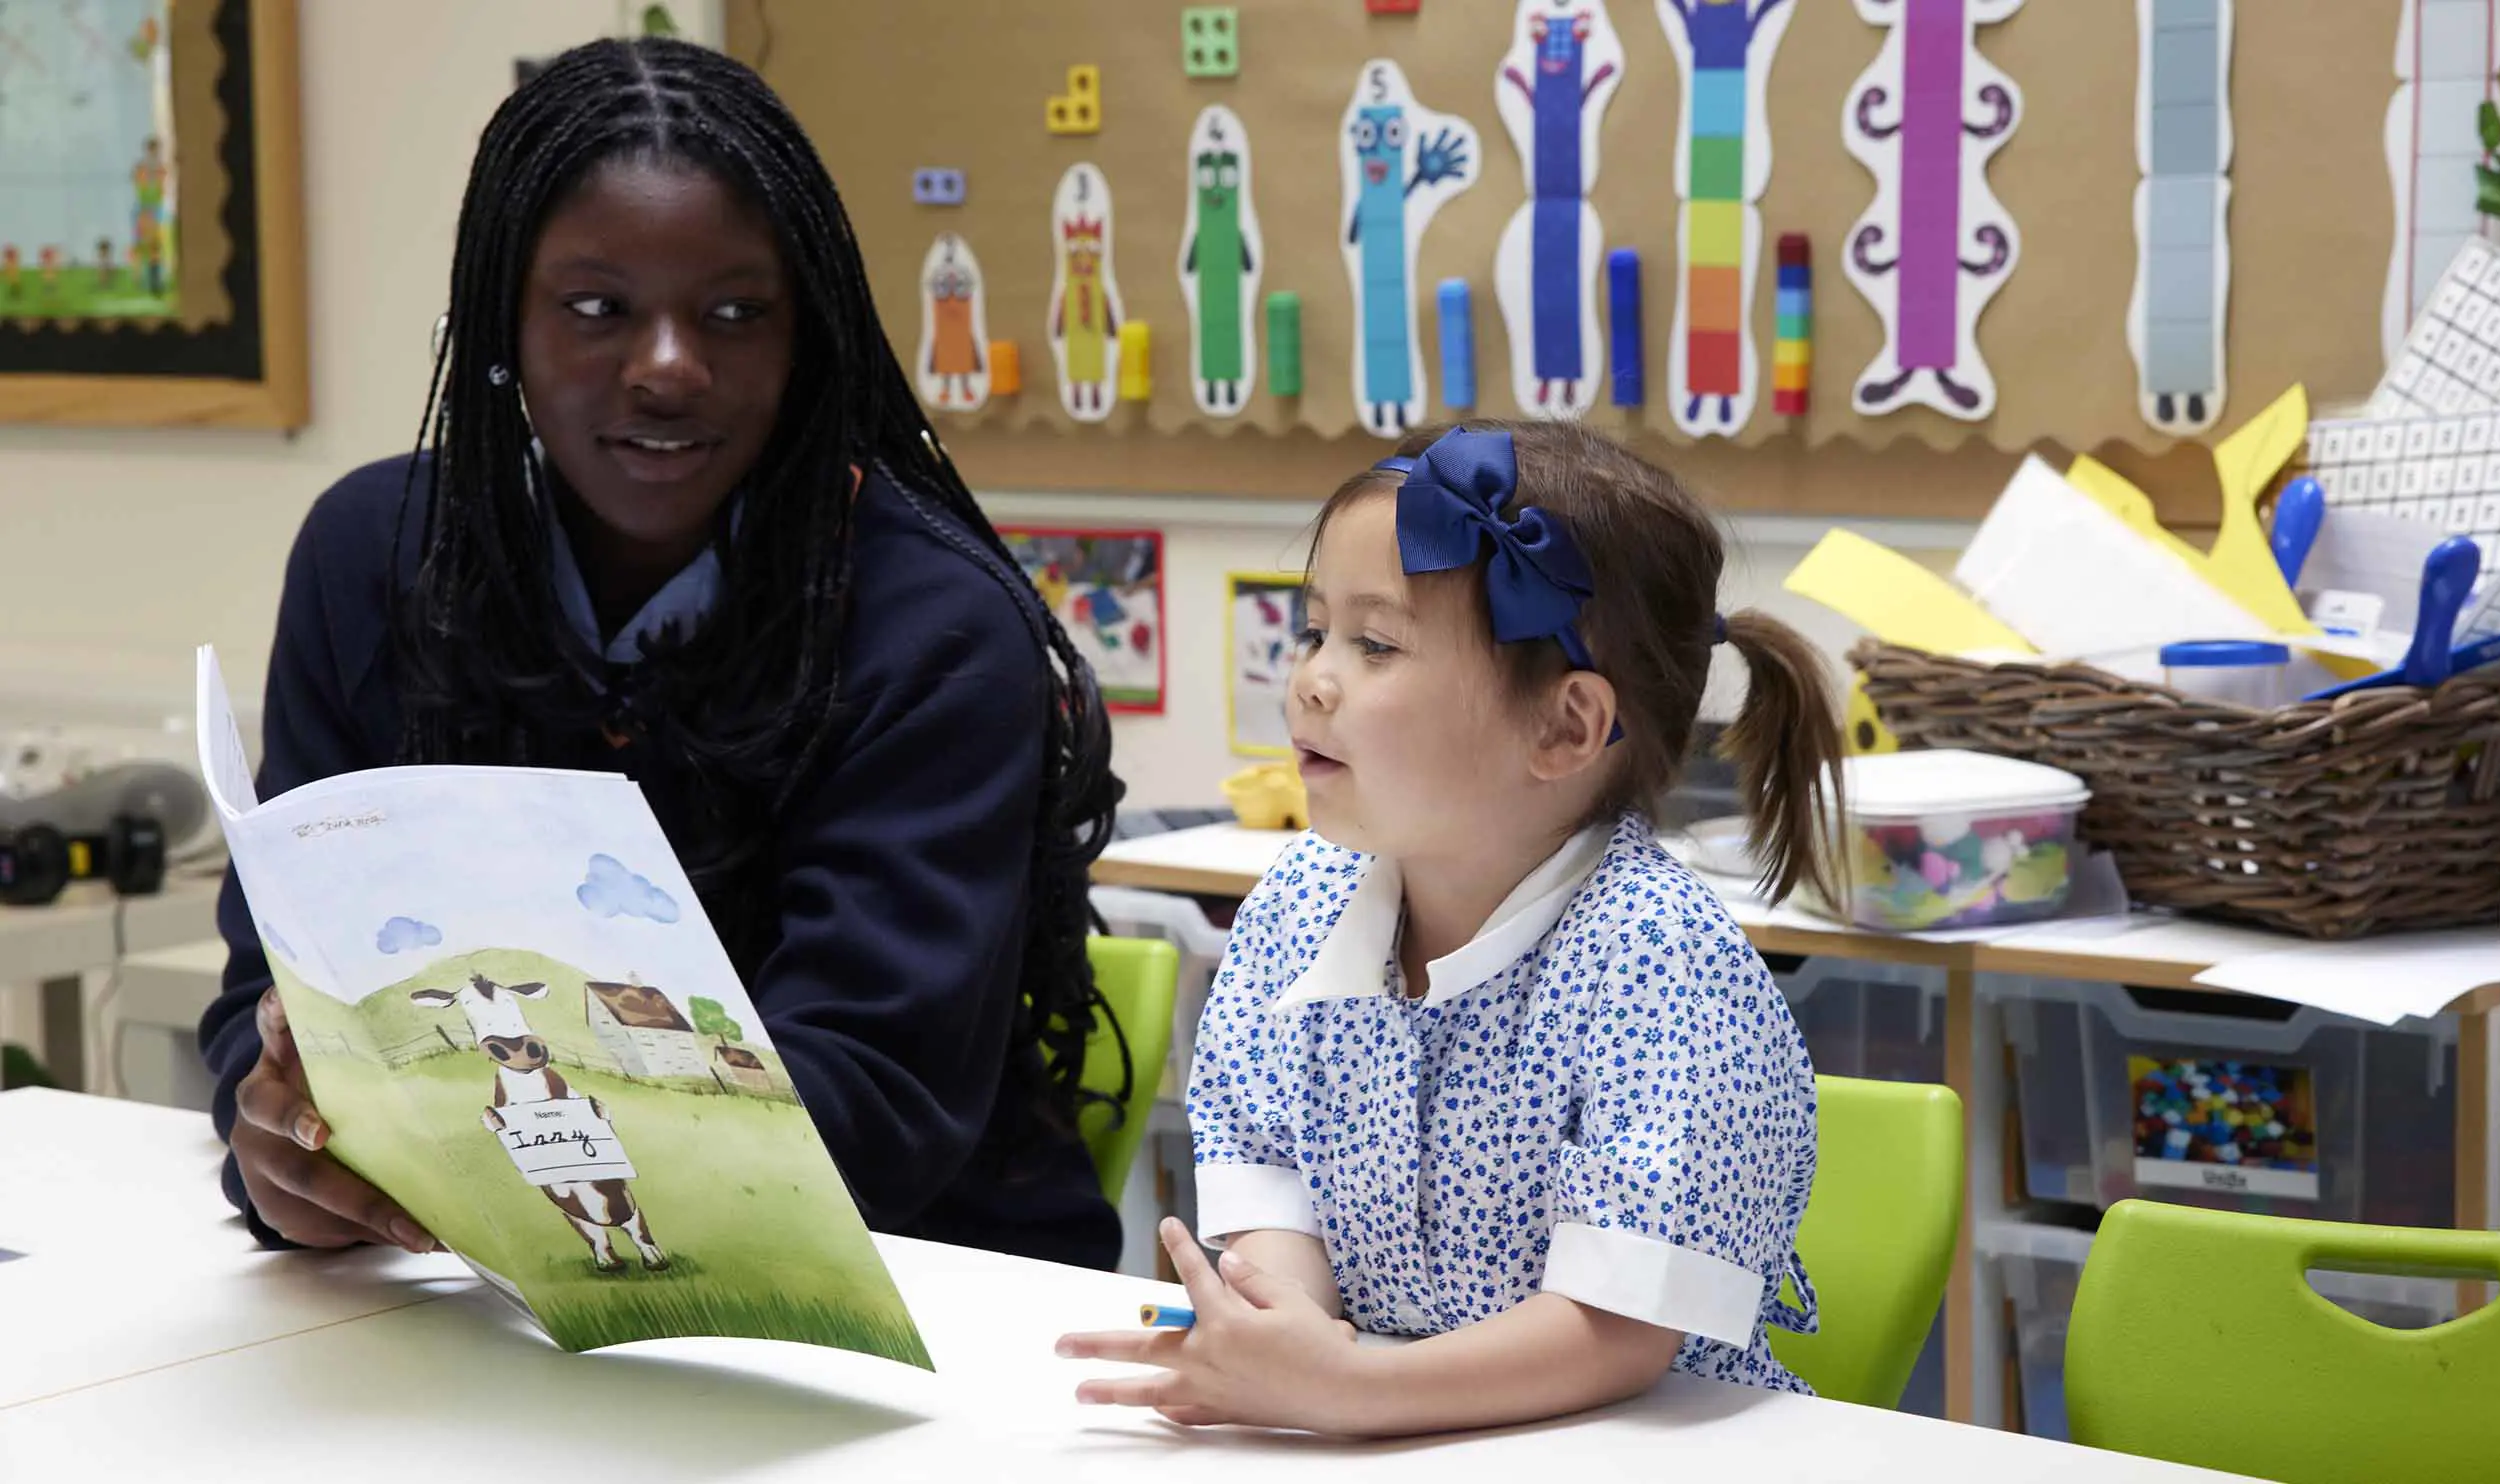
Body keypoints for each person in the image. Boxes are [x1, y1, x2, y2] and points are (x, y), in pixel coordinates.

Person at [197, 37, 1125, 1272]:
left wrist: (481, 1137)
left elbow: (872, 1100)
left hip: (921, 1282)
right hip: (478, 1284)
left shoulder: (934, 625)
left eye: (736, 313)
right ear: (500, 323)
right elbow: (272, 994)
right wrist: (284, 1138)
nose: (670, 366)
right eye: (597, 309)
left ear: (808, 341)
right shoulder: (374, 560)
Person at [1056, 421, 1842, 1434]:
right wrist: (1286, 1332)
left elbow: (1618, 1329)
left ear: (1564, 727)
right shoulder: (1299, 905)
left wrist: (1351, 1390)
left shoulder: (1662, 960)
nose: (1310, 678)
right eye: (1314, 630)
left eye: (1374, 644)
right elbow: (1273, 1181)